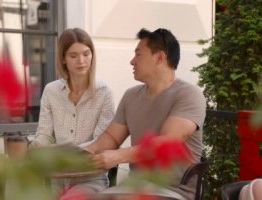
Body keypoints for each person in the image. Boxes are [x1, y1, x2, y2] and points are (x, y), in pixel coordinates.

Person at [84, 28, 206, 200]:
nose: (132, 61)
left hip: (175, 191)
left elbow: (166, 142)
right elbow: (111, 137)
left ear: (160, 58)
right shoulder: (131, 95)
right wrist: (84, 152)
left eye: (138, 54)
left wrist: (117, 156)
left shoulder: (189, 95)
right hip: (135, 187)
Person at [29, 28, 115, 199]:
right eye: (73, 56)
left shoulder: (104, 93)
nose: (81, 61)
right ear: (63, 59)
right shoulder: (51, 91)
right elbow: (45, 134)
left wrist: (62, 154)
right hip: (56, 179)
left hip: (91, 179)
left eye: (86, 54)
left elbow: (101, 143)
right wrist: (38, 145)